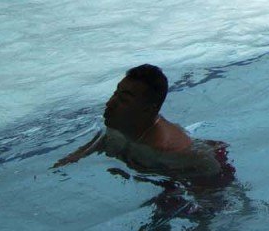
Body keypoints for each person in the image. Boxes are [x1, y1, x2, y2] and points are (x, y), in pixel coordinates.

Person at [53, 64, 234, 188]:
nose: (111, 102)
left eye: (123, 99)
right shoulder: (120, 122)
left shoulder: (167, 149)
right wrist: (74, 157)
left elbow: (210, 170)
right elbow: (104, 138)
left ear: (148, 109)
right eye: (116, 93)